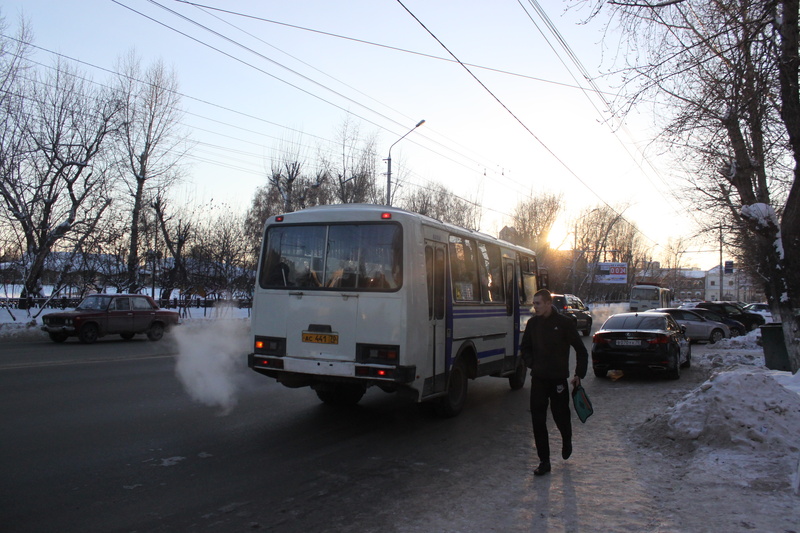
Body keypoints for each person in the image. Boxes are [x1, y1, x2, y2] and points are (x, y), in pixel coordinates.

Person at [520, 288, 589, 476]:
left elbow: (581, 350)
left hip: (558, 379)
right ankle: (544, 461)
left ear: (548, 304)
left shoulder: (564, 323)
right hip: (539, 380)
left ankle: (567, 439)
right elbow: (524, 347)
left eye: (538, 304)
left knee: (561, 417)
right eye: (533, 304)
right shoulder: (533, 324)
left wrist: (578, 374)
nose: (534, 307)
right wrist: (531, 362)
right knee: (538, 420)